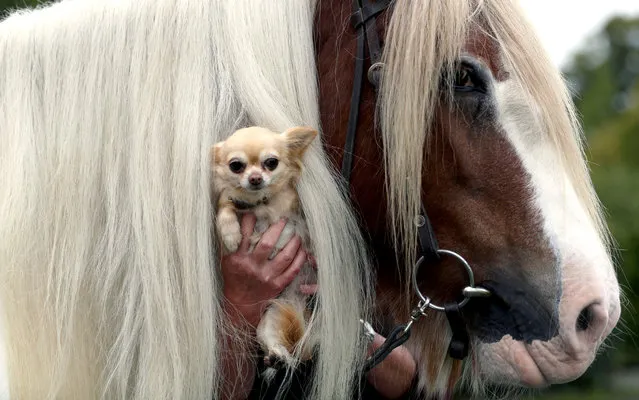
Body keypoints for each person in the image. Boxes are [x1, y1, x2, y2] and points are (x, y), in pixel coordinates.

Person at [220, 213, 417, 399]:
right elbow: (224, 392)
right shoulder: (220, 243)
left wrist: (344, 320)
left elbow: (403, 382)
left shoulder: (338, 241)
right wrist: (241, 307)